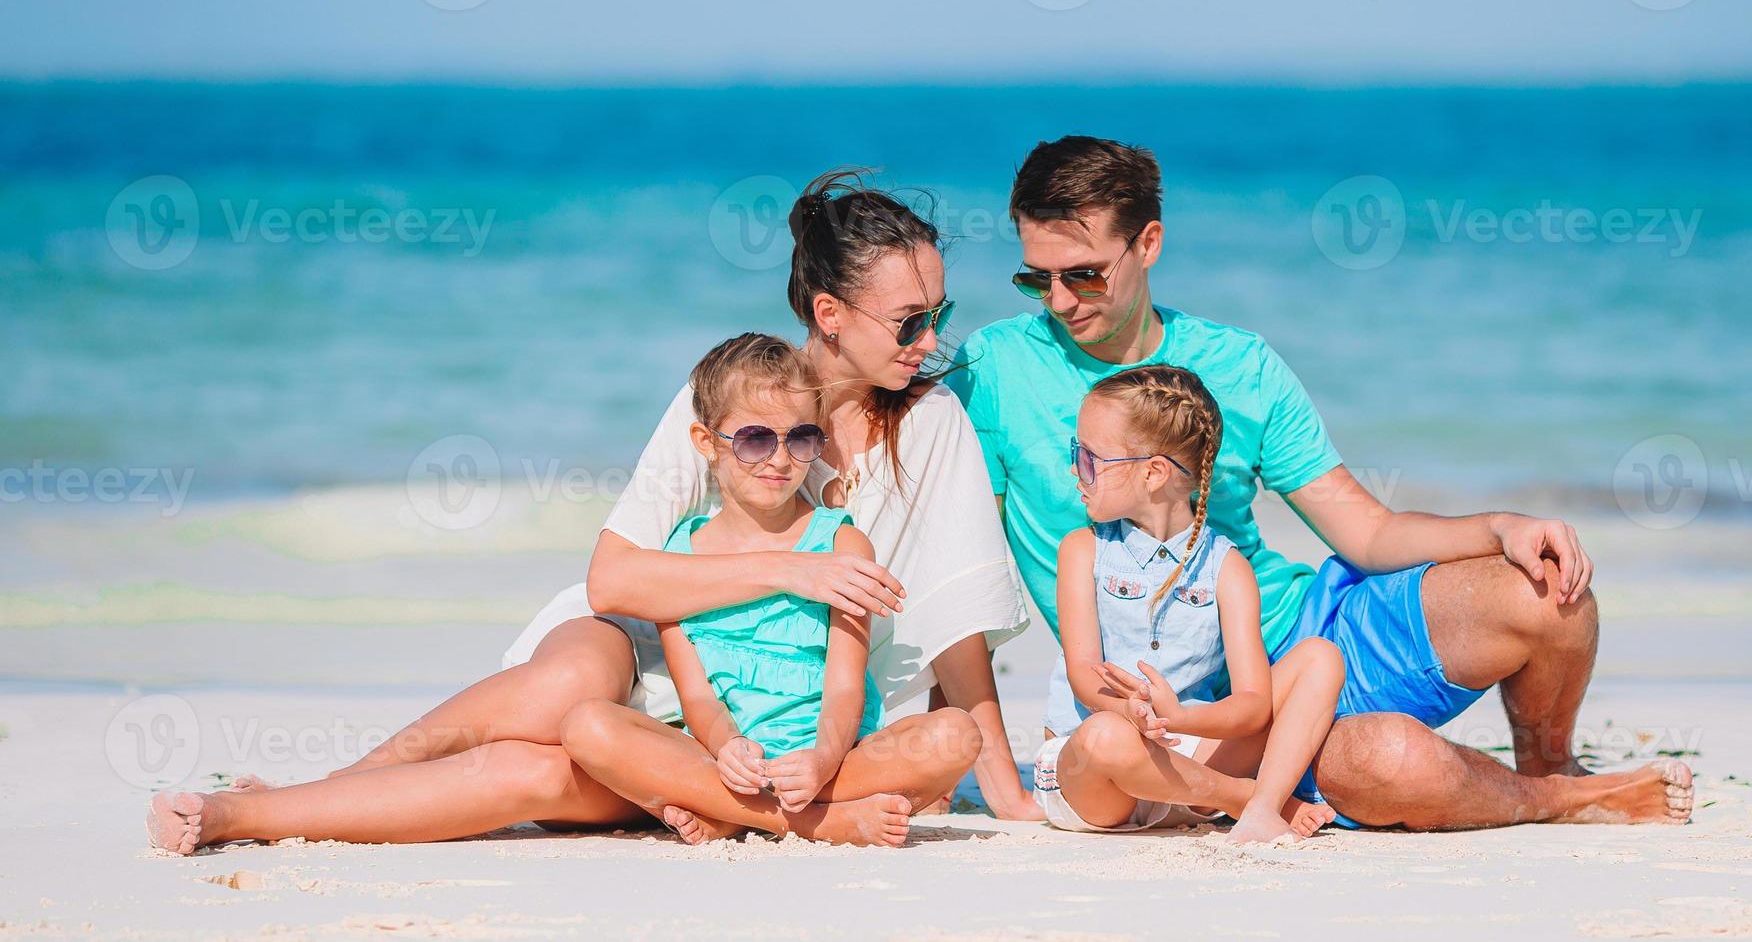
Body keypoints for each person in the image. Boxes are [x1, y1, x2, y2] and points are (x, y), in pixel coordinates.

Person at [148, 171, 1036, 854]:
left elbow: (956, 625)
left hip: (787, 713)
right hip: (647, 646)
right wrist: (793, 567)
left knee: (533, 774)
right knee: (573, 685)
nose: (931, 344)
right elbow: (615, 578)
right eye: (910, 323)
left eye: (940, 316)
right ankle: (320, 790)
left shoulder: (929, 422)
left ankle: (247, 816)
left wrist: (1002, 787)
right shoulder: (729, 396)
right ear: (831, 314)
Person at [951, 136, 1695, 832]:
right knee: (1387, 760)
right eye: (1034, 277)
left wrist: (1500, 528)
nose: (1058, 300)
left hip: (1307, 627)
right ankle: (1557, 799)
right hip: (1198, 719)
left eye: (1082, 273)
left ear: (1147, 243)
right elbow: (962, 581)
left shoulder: (1239, 363)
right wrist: (1000, 781)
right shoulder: (996, 369)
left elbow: (1365, 533)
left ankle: (1546, 760)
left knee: (1547, 593)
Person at [556, 333, 978, 847]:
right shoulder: (677, 559)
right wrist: (727, 745)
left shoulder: (842, 544)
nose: (780, 459)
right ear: (706, 442)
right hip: (727, 762)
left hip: (838, 759)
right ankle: (810, 821)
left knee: (955, 734)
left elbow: (846, 686)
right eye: (756, 439)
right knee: (585, 724)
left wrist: (822, 761)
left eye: (800, 438)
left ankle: (737, 815)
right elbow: (697, 698)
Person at [1032, 366, 1342, 844]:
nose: (1076, 469)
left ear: (1153, 473)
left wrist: (1179, 718)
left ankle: (1255, 805)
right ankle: (1245, 799)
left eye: (1090, 458)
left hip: (1187, 765)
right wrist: (1130, 711)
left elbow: (1253, 706)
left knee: (1321, 657)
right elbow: (1083, 673)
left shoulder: (1227, 568)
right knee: (1106, 738)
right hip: (1096, 776)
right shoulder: (1082, 550)